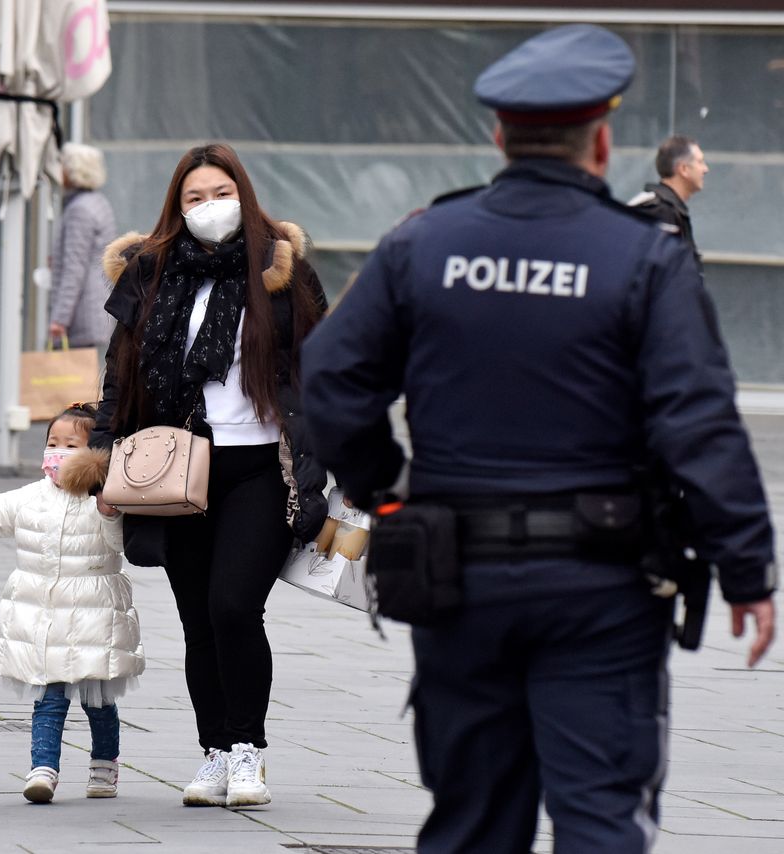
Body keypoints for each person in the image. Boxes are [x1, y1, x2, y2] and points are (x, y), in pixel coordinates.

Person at [301, 25, 775, 853]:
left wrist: (390, 486)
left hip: (457, 576)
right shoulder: (642, 258)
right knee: (600, 818)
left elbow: (330, 378)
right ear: (601, 139)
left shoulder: (424, 244)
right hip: (602, 585)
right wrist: (746, 567)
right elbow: (698, 420)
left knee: (475, 824)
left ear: (499, 136)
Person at [84, 143, 328, 808]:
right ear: (177, 206)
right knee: (198, 619)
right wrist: (104, 452)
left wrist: (334, 452)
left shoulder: (281, 270)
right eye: (194, 197)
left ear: (244, 197)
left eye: (220, 193)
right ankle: (214, 751)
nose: (208, 206)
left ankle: (248, 750)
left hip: (262, 464)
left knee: (234, 607)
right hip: (177, 466)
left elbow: (323, 366)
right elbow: (120, 372)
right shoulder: (150, 272)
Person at [0, 403, 143, 803]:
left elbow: (123, 545)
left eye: (72, 444)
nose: (59, 452)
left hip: (94, 618)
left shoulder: (106, 500)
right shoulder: (32, 497)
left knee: (99, 703)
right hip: (43, 620)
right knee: (49, 700)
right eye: (53, 442)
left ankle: (104, 765)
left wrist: (109, 512)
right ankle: (43, 769)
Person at [48, 143, 116, 350]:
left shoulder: (79, 210)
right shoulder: (98, 202)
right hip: (95, 307)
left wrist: (60, 319)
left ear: (72, 171)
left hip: (80, 314)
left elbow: (74, 268)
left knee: (69, 380)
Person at [628, 134, 707, 255]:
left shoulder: (668, 209)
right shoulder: (660, 210)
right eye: (700, 162)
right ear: (684, 169)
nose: (706, 169)